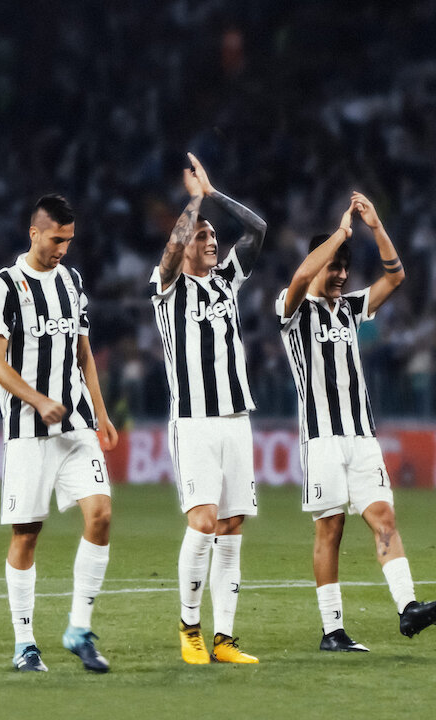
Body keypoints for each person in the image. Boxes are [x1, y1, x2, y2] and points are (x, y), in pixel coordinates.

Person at [275, 191, 436, 652]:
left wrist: (375, 226)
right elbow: (300, 276)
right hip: (322, 439)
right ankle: (332, 630)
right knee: (329, 528)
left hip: (362, 437)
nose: (340, 275)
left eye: (345, 267)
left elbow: (396, 277)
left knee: (383, 515)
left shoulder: (351, 308)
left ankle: (408, 608)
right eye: (334, 266)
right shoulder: (292, 310)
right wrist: (339, 234)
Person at [0, 194, 120, 673]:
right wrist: (37, 400)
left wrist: (101, 413)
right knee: (27, 534)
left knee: (100, 514)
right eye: (57, 238)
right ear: (34, 233)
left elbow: (84, 354)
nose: (63, 248)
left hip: (77, 422)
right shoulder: (3, 285)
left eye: (70, 240)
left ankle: (79, 628)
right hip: (27, 429)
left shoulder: (73, 281)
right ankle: (25, 643)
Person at [150, 153, 265, 665]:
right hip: (194, 422)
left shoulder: (226, 281)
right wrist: (194, 204)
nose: (212, 241)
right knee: (202, 521)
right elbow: (173, 248)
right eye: (204, 236)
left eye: (214, 236)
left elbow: (258, 229)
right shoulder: (168, 288)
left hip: (237, 420)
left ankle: (225, 638)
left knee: (232, 526)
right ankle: (189, 627)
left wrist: (215, 196)